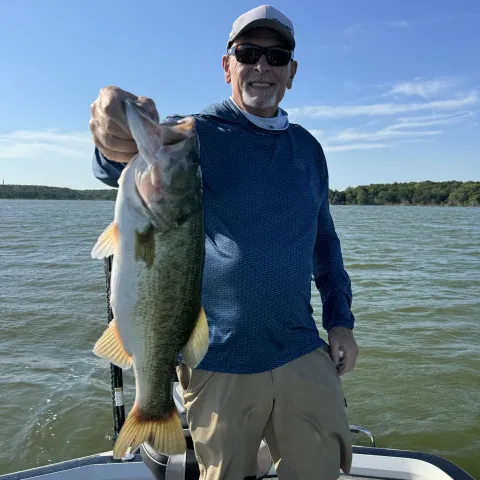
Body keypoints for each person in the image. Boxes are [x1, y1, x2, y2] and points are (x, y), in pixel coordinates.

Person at [89, 5, 359, 480]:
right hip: (218, 359)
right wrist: (110, 131)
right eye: (248, 53)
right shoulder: (191, 136)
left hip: (301, 347)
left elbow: (325, 243)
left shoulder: (309, 150)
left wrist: (340, 321)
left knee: (321, 469)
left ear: (292, 72)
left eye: (276, 57)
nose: (262, 66)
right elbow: (119, 164)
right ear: (227, 65)